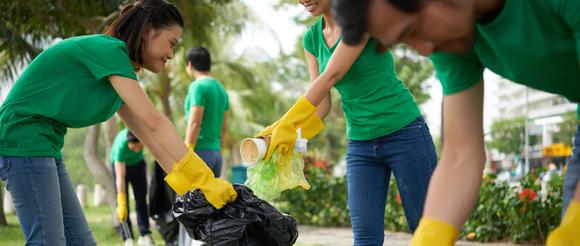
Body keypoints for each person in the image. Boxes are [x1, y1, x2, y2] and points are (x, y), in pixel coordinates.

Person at [331, 0, 580, 244]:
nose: (424, 50)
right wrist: (430, 238)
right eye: (403, 42)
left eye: (412, 29)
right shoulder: (451, 39)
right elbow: (462, 155)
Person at [0, 0, 237, 244]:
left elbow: (151, 139)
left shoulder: (117, 71)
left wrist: (193, 190)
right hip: (22, 138)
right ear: (148, 31)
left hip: (45, 144)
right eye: (171, 42)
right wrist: (205, 178)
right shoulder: (110, 51)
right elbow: (155, 121)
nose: (171, 54)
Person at [257, 0, 437, 244]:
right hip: (361, 145)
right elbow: (321, 104)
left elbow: (331, 75)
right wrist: (288, 136)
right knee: (365, 238)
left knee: (426, 229)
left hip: (404, 133)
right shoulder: (311, 39)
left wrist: (285, 125)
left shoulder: (359, 18)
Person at [184, 46, 229, 177]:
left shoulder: (197, 86)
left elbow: (194, 123)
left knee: (188, 197)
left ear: (190, 64)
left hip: (199, 153)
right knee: (210, 197)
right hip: (216, 155)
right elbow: (224, 127)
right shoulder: (222, 90)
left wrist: (187, 151)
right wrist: (219, 150)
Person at [111, 129, 154, 246]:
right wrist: (121, 201)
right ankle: (128, 237)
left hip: (138, 164)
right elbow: (120, 176)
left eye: (139, 148)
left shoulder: (143, 136)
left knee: (141, 199)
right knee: (123, 204)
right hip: (120, 166)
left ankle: (145, 234)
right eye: (134, 148)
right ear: (128, 142)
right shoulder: (121, 146)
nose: (136, 150)